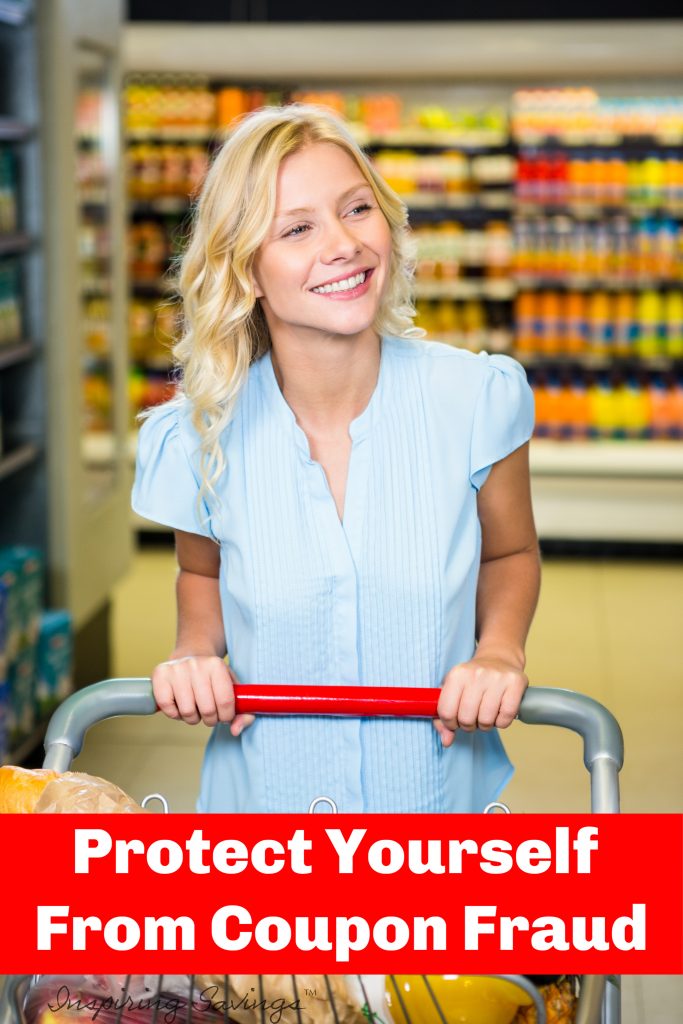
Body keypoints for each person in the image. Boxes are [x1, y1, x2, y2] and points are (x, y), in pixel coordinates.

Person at [132, 104, 541, 815]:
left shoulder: (473, 398)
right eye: (297, 228)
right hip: (261, 823)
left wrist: (499, 651)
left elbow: (509, 554)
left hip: (432, 814)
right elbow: (201, 570)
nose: (344, 244)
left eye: (356, 209)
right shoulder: (199, 438)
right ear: (246, 270)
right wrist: (193, 650)